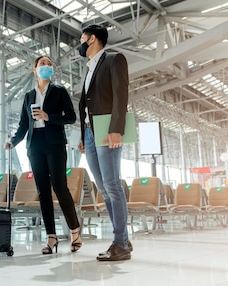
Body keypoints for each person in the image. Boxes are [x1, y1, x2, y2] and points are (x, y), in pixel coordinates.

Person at [4, 55, 81, 255]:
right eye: (42, 64)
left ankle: (74, 231)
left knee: (60, 187)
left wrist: (49, 117)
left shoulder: (59, 91)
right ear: (34, 69)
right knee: (43, 191)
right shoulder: (29, 95)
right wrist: (13, 141)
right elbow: (23, 123)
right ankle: (51, 237)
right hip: (34, 144)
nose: (46, 66)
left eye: (49, 64)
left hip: (54, 143)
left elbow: (71, 117)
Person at [77, 24, 132, 261]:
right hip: (90, 133)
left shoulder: (113, 59)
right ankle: (123, 239)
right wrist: (83, 135)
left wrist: (116, 129)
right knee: (103, 187)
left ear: (92, 39)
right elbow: (87, 105)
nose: (79, 43)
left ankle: (120, 242)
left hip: (106, 130)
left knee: (112, 185)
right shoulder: (89, 69)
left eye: (82, 39)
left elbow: (121, 95)